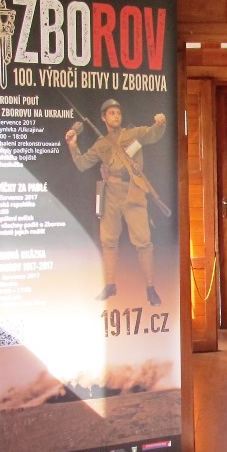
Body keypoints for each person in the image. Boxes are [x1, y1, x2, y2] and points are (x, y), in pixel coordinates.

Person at [65, 100, 167, 304]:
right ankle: (110, 285)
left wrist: (160, 123)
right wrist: (73, 145)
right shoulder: (101, 144)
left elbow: (152, 134)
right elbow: (82, 164)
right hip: (111, 194)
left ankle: (150, 288)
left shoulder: (133, 134)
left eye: (118, 112)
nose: (116, 116)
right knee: (108, 241)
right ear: (103, 118)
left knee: (143, 242)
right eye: (111, 113)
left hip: (133, 192)